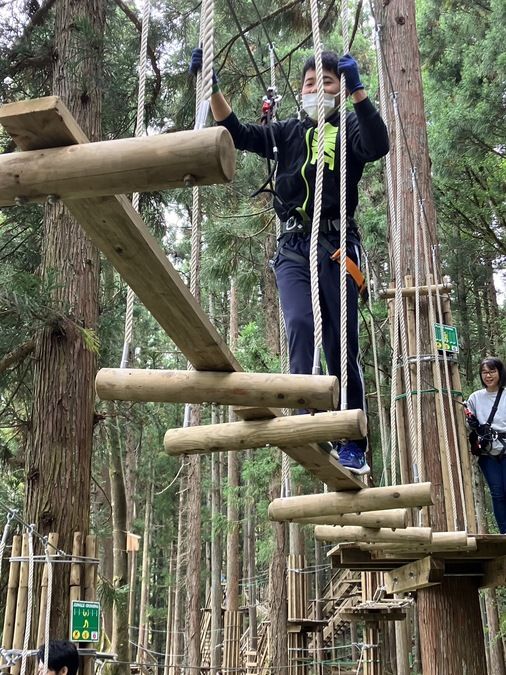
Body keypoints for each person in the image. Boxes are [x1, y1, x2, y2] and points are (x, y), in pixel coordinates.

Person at [189, 48, 389, 474]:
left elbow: (378, 144)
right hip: (295, 246)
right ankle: (306, 415)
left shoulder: (349, 127)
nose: (319, 89)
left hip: (336, 244)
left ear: (340, 88)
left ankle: (352, 437)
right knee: (299, 325)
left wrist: (357, 90)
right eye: (311, 83)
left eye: (328, 83)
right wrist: (213, 87)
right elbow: (238, 132)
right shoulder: (288, 133)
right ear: (301, 91)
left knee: (341, 343)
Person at [466, 357, 506, 533]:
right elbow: (467, 422)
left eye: (492, 371)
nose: (488, 376)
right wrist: (473, 424)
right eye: (484, 372)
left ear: (499, 372)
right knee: (497, 494)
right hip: (487, 454)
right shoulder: (474, 398)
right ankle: (504, 532)